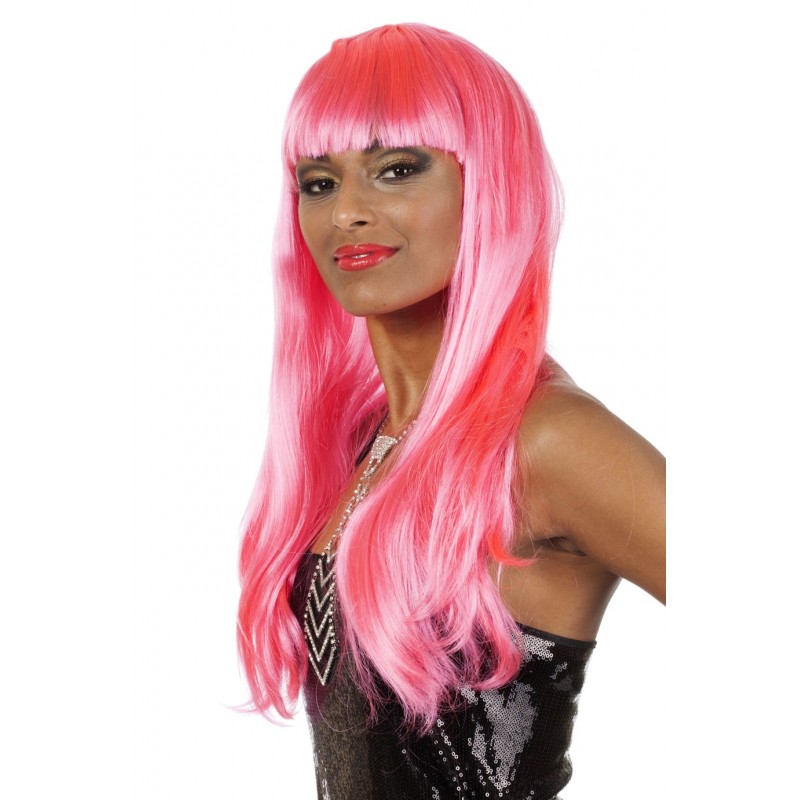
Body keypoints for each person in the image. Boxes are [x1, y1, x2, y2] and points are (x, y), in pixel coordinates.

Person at [238, 22, 665, 800]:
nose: (346, 213)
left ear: (488, 185)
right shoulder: (367, 442)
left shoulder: (545, 438)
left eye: (397, 170)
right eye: (318, 181)